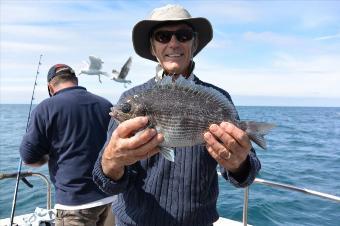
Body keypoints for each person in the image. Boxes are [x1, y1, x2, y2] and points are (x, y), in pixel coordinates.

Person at [93, 4, 261, 226]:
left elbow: (246, 175)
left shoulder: (218, 97)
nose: (173, 43)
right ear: (153, 47)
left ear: (194, 43)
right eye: (163, 36)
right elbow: (106, 182)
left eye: (183, 35)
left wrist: (239, 163)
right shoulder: (130, 97)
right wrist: (111, 161)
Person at [20, 64, 115, 226]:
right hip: (113, 198)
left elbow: (28, 158)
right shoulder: (106, 105)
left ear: (50, 86)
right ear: (75, 80)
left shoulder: (45, 109)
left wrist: (48, 156)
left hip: (75, 204)